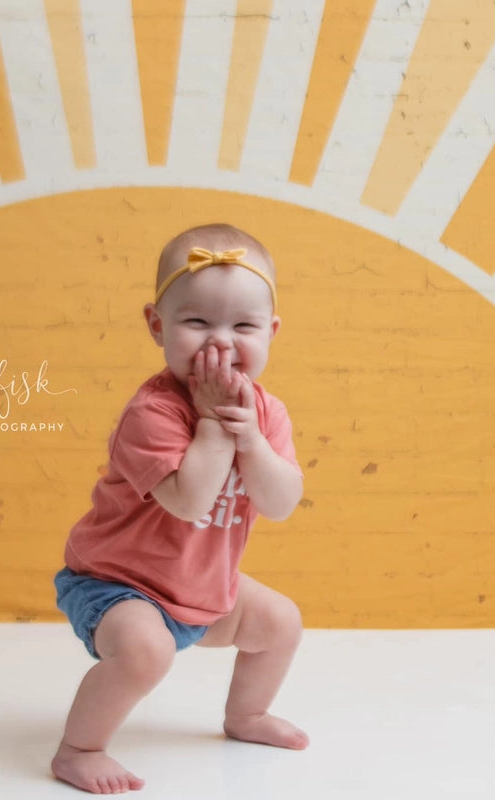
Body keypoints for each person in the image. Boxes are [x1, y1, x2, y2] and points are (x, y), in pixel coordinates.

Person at [50, 223, 308, 794]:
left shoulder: (267, 413)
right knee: (146, 653)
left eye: (243, 325)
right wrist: (214, 426)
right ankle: (78, 749)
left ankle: (245, 716)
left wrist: (255, 445)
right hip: (117, 582)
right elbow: (190, 501)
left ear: (271, 332)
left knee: (280, 623)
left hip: (200, 587)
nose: (221, 342)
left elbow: (281, 501)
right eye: (197, 323)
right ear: (156, 326)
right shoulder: (154, 413)